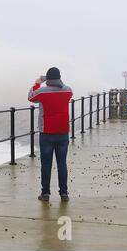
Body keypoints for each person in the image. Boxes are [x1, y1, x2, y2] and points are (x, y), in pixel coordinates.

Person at [28, 67, 73, 202]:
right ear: (59, 77)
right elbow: (65, 89)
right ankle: (64, 193)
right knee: (62, 164)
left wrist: (37, 83)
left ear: (47, 78)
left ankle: (45, 193)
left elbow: (30, 97)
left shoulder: (42, 91)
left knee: (46, 164)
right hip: (63, 132)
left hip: (47, 132)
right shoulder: (67, 90)